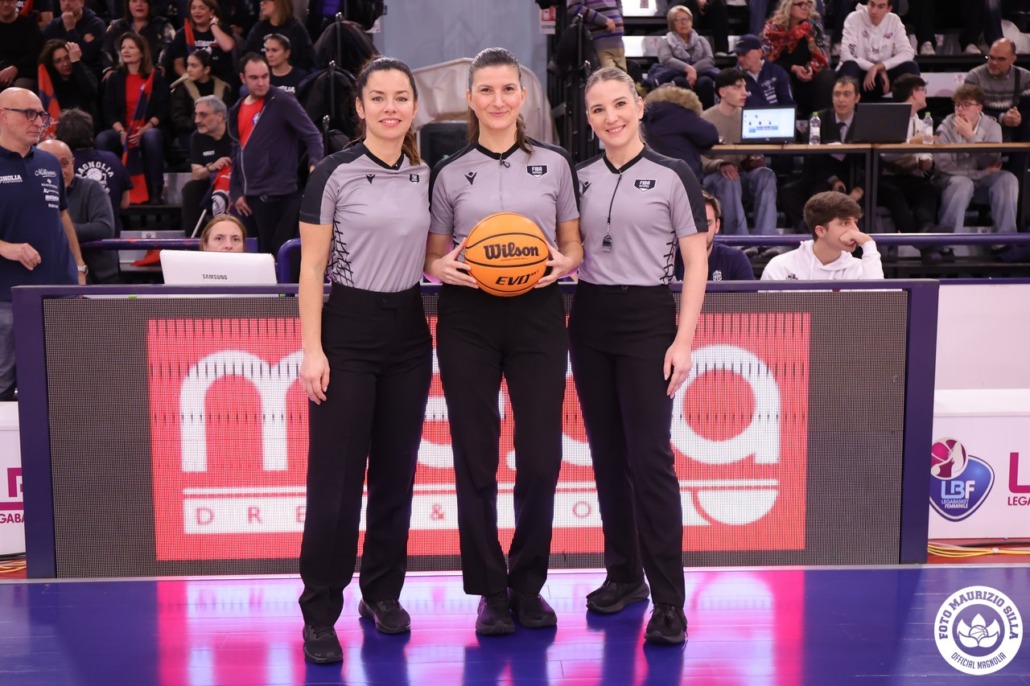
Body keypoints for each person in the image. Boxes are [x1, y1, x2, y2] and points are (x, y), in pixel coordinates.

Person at [424, 47, 581, 637]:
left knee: (540, 456)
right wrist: (440, 268)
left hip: (537, 310)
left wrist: (563, 263)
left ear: (522, 95)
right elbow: (434, 256)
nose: (497, 100)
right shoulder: (449, 170)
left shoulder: (556, 164)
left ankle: (528, 582)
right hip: (469, 315)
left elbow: (573, 246)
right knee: (476, 455)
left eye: (507, 89)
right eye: (485, 90)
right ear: (470, 98)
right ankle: (490, 589)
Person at [296, 56, 432, 665]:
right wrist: (313, 348)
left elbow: (430, 255)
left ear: (414, 106)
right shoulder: (334, 174)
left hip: (409, 330)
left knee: (396, 476)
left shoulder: (426, 174)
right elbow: (311, 269)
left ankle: (381, 593)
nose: (390, 108)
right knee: (336, 483)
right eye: (378, 97)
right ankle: (320, 610)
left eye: (400, 97)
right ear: (359, 107)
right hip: (348, 330)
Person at [571, 66, 706, 646]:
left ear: (640, 105)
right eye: (599, 109)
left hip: (648, 319)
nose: (612, 117)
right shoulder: (578, 178)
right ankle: (625, 577)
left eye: (620, 104)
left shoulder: (674, 174)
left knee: (650, 461)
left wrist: (683, 339)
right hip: (590, 318)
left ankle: (670, 601)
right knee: (607, 458)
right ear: (588, 118)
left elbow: (696, 262)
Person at [0, 88, 87, 400]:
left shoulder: (50, 162)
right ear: (2, 115)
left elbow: (61, 215)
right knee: (2, 384)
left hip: (59, 289)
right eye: (29, 114)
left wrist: (79, 267)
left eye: (41, 115)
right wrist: (5, 247)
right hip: (6, 294)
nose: (39, 122)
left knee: (63, 382)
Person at [228, 53, 322, 256]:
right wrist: (236, 192)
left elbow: (313, 135)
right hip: (248, 199)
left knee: (276, 256)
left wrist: (315, 164)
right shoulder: (237, 108)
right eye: (254, 78)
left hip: (278, 195)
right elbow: (237, 152)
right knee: (254, 257)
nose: (261, 82)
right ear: (243, 78)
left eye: (265, 76)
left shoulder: (282, 101)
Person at [932, 83, 1019, 246]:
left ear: (979, 108)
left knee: (1007, 179)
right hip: (949, 181)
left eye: (966, 105)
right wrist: (980, 173)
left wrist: (971, 136)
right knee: (963, 183)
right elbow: (943, 166)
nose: (960, 110)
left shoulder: (993, 127)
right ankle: (947, 243)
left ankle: (1005, 241)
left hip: (982, 181)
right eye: (957, 105)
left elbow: (992, 161)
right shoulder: (945, 127)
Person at [700, 68, 778, 236]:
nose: (745, 92)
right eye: (737, 87)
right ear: (722, 92)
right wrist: (720, 164)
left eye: (744, 87)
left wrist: (755, 160)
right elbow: (696, 157)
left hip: (741, 174)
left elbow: (751, 154)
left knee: (766, 175)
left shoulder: (749, 118)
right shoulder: (705, 119)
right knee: (730, 179)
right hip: (714, 178)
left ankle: (767, 239)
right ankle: (739, 241)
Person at [781, 75, 864, 231]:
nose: (841, 99)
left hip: (853, 178)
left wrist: (860, 188)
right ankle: (809, 233)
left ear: (857, 98)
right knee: (789, 192)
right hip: (822, 174)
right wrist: (833, 180)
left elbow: (874, 161)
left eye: (846, 94)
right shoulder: (818, 118)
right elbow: (813, 156)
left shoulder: (865, 122)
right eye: (837, 94)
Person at [95, 33, 168, 204]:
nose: (125, 51)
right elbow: (109, 111)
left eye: (131, 47)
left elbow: (163, 109)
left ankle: (156, 190)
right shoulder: (115, 78)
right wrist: (121, 131)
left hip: (147, 128)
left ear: (142, 53)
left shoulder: (155, 77)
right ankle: (108, 188)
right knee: (102, 139)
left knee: (152, 137)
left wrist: (145, 128)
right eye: (123, 48)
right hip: (123, 129)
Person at [877, 74, 940, 263]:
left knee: (927, 191)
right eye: (923, 91)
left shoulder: (922, 122)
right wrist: (912, 143)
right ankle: (924, 244)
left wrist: (926, 162)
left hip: (913, 176)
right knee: (894, 195)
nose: (925, 95)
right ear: (914, 93)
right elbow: (884, 153)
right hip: (888, 177)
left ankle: (927, 232)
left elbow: (925, 154)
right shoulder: (888, 118)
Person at [38, 138, 118, 282]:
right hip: (49, 274)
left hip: (95, 276)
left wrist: (57, 230)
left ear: (73, 163)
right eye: (51, 165)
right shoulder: (31, 193)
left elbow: (104, 228)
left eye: (64, 164)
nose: (59, 171)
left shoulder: (92, 188)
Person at [761, 190, 883, 279]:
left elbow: (877, 306)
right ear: (820, 231)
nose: (855, 231)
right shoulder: (781, 267)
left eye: (855, 222)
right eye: (845, 223)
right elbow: (766, 308)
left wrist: (868, 244)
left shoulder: (861, 269)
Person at [54, 107, 132, 225]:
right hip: (111, 233)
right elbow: (125, 203)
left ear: (60, 135)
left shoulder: (64, 165)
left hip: (74, 233)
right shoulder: (113, 158)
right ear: (90, 132)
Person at [762, 0, 834, 116]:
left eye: (808, 4)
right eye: (800, 4)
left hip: (808, 78)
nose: (805, 7)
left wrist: (809, 69)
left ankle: (823, 121)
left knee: (827, 76)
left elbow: (823, 57)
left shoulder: (813, 27)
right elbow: (766, 61)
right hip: (783, 76)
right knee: (781, 76)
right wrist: (793, 68)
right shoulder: (772, 30)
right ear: (788, 6)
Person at [838, 0, 918, 103]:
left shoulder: (894, 20)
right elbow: (846, 54)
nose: (874, 11)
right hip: (859, 76)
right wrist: (872, 67)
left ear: (889, 8)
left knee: (910, 66)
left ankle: (909, 111)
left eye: (880, 7)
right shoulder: (854, 18)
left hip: (883, 79)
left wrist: (881, 67)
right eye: (871, 5)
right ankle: (849, 110)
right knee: (850, 66)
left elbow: (907, 52)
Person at [642, 84, 720, 179]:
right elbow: (710, 135)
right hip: (683, 175)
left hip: (653, 176)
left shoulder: (648, 116)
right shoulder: (680, 113)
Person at [964, 39, 1030, 148]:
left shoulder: (1026, 77)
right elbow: (969, 110)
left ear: (1013, 59)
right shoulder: (975, 76)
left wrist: (1019, 117)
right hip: (984, 123)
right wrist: (1001, 118)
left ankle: (1020, 159)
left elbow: (1027, 108)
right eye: (991, 57)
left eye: (1001, 59)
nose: (994, 63)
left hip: (1016, 127)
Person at [182, 94, 231, 234]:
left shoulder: (235, 132)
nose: (197, 120)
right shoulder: (197, 137)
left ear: (219, 116)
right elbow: (196, 174)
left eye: (203, 115)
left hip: (236, 182)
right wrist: (211, 167)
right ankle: (193, 239)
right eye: (196, 115)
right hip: (211, 183)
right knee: (191, 188)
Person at [655, 5, 717, 109]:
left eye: (686, 19)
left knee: (706, 82)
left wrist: (693, 70)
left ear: (691, 21)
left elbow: (709, 59)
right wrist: (687, 68)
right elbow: (666, 59)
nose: (683, 23)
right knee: (680, 81)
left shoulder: (701, 40)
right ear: (672, 23)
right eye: (679, 20)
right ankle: (687, 115)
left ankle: (706, 115)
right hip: (675, 73)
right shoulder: (665, 41)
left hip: (700, 73)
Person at [169, 49, 233, 149]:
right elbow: (178, 118)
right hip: (191, 131)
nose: (189, 69)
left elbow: (227, 114)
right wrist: (201, 125)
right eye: (188, 65)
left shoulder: (222, 88)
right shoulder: (182, 88)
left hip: (218, 131)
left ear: (206, 70)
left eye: (194, 66)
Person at [164, 0, 238, 86]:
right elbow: (178, 64)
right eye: (193, 8)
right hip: (192, 81)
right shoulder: (183, 33)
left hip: (220, 81)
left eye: (202, 8)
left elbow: (228, 47)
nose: (197, 11)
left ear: (211, 11)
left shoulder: (223, 29)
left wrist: (213, 25)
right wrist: (189, 77)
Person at [100, 0, 175, 78]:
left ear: (149, 4)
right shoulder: (116, 26)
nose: (139, 4)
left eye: (144, 1)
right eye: (134, 1)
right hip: (121, 76)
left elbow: (168, 48)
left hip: (153, 75)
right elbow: (105, 50)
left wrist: (160, 66)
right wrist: (109, 69)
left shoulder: (162, 25)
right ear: (128, 5)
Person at [38, 39, 99, 123]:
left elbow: (91, 90)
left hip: (86, 123)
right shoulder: (49, 83)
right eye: (58, 61)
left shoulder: (82, 72)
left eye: (67, 58)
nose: (65, 64)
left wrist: (76, 63)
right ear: (52, 65)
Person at [244, 0, 314, 72]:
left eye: (266, 1)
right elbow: (248, 56)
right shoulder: (258, 28)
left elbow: (307, 59)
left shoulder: (296, 28)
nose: (262, 3)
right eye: (261, 1)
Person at [42, 0, 105, 78]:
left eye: (71, 0)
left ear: (81, 2)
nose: (67, 3)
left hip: (88, 75)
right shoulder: (53, 25)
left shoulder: (96, 24)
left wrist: (70, 30)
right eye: (63, 0)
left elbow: (87, 57)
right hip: (59, 76)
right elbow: (47, 55)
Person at [701, 191, 753, 280]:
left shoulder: (736, 260)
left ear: (717, 226)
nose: (701, 230)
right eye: (694, 224)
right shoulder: (674, 260)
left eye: (707, 224)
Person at [735, 33, 794, 107]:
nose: (740, 59)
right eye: (738, 55)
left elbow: (788, 105)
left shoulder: (777, 73)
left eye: (744, 54)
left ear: (759, 52)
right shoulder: (733, 77)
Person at [568, 0, 627, 71]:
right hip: (601, 44)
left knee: (621, 77)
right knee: (608, 76)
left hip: (619, 44)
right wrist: (604, 21)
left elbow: (618, 2)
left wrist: (619, 16)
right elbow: (574, 7)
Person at [0, 0, 43, 92]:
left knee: (18, 91)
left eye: (9, 0)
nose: (6, 4)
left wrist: (16, 67)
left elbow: (35, 54)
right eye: (2, 1)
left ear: (16, 2)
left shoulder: (29, 25)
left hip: (23, 73)